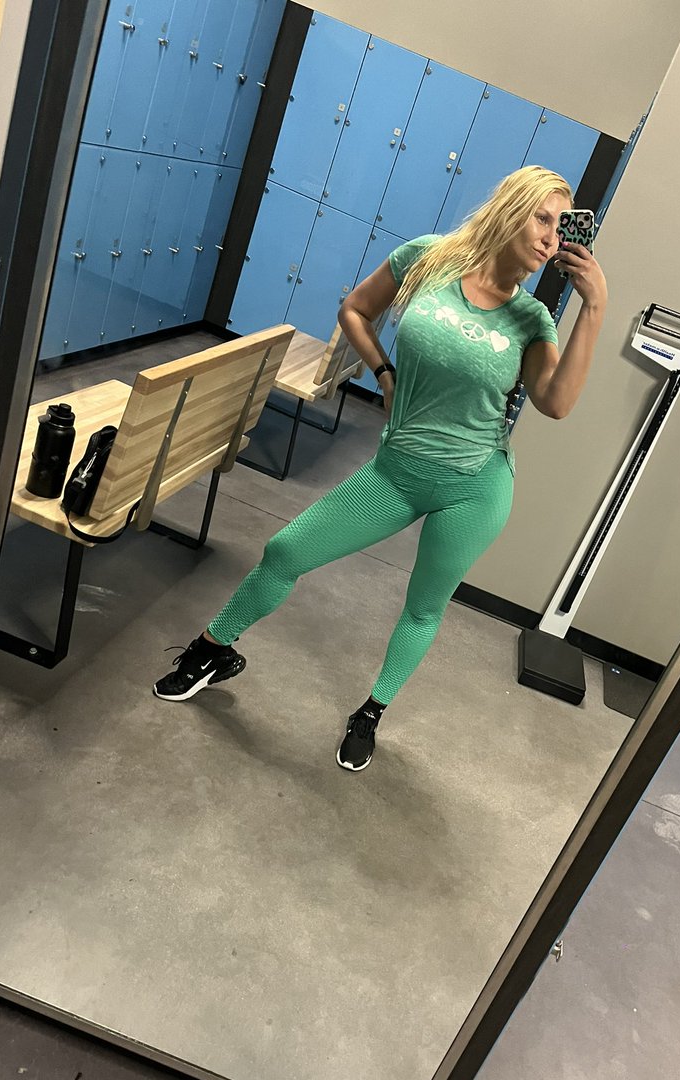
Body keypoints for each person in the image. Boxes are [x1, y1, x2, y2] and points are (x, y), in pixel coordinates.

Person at [153, 166, 608, 771]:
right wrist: (384, 374)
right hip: (395, 472)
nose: (552, 238)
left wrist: (594, 307)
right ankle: (212, 649)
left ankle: (371, 711)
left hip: (473, 487)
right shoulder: (428, 259)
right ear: (509, 207)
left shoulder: (532, 321)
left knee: (423, 606)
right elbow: (355, 310)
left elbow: (556, 403)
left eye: (561, 226)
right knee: (286, 552)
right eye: (542, 218)